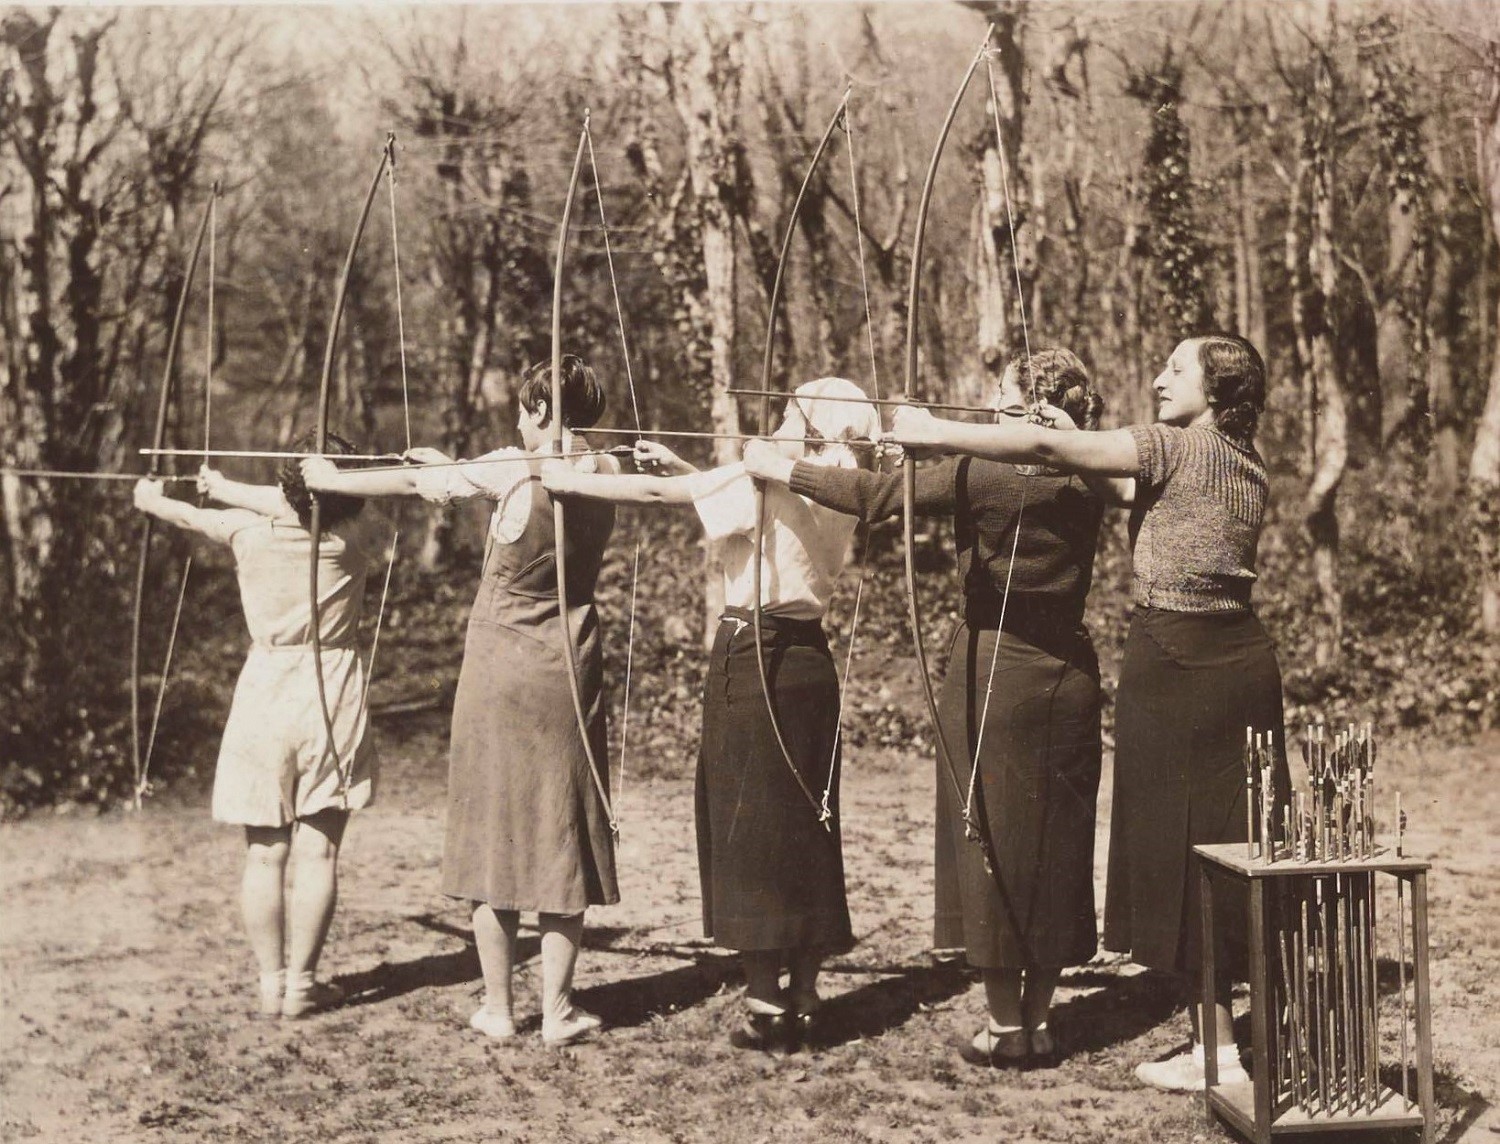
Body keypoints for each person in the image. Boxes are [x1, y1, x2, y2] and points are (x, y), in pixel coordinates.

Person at [887, 333, 1289, 1091]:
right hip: (1243, 661)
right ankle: (1227, 1041)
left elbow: (1047, 449)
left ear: (1215, 390)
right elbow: (1118, 487)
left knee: (1178, 852)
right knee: (1233, 849)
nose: (1159, 379)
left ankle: (1217, 1054)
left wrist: (931, 430)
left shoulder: (1171, 445)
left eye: (1176, 369)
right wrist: (1071, 437)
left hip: (1174, 660)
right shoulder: (1245, 461)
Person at [745, 347, 1105, 1068]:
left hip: (995, 665)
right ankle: (1038, 1021)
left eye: (1001, 398)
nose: (990, 407)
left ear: (1028, 409)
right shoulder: (1091, 475)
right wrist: (914, 440)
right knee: (1053, 841)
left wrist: (781, 469)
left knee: (991, 835)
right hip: (1070, 669)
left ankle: (1004, 1026)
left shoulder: (986, 471)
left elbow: (877, 500)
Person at [541, 376, 881, 1053]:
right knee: (806, 824)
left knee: (747, 823)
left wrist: (566, 481)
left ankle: (764, 1001)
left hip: (752, 653)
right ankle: (804, 993)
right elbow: (742, 507)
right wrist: (686, 466)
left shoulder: (765, 475)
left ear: (809, 426)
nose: (780, 424)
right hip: (808, 659)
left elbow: (658, 497)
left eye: (793, 415)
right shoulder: (841, 482)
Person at [301, 356, 618, 1047]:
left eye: (524, 409)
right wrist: (449, 465)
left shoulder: (512, 468)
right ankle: (558, 1011)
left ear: (540, 411)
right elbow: (453, 478)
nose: (518, 420)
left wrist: (333, 478)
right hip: (568, 666)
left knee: (493, 831)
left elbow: (415, 485)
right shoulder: (608, 469)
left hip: (501, 666)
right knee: (560, 827)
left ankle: (499, 1010)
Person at [133, 434, 391, 1020]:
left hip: (266, 691)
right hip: (330, 689)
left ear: (286, 486)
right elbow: (312, 502)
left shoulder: (245, 531)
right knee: (318, 852)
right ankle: (302, 985)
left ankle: (272, 984)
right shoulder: (354, 539)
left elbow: (192, 516)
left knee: (264, 854)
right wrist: (232, 487)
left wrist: (156, 499)